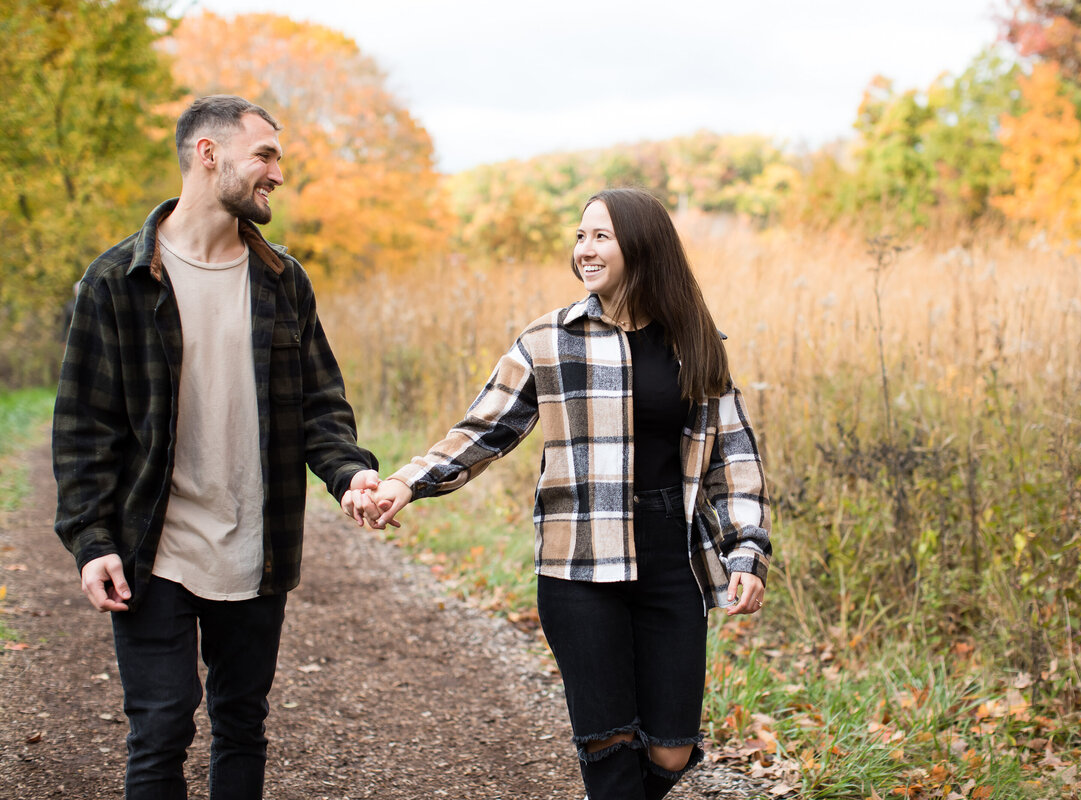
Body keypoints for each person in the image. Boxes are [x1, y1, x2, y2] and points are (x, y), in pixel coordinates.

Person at [345, 187, 772, 800]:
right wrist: (403, 484)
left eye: (601, 236)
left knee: (671, 749)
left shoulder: (694, 342)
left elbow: (734, 459)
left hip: (669, 557)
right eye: (580, 236)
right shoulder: (549, 340)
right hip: (578, 562)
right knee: (607, 748)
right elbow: (481, 432)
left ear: (642, 246)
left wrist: (747, 552)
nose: (584, 249)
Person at [52, 95, 381, 800]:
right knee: (161, 728)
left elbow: (321, 407)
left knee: (241, 722)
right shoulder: (116, 283)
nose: (278, 174)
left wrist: (350, 474)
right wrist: (91, 539)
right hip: (155, 548)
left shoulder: (282, 280)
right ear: (209, 155)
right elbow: (84, 427)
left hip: (255, 546)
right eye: (265, 155)